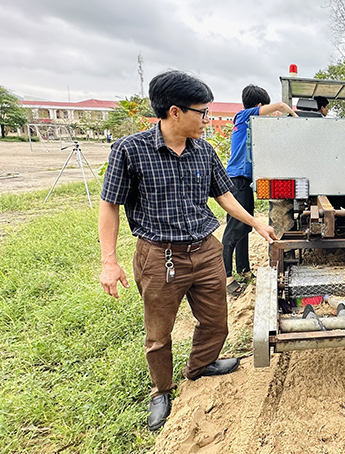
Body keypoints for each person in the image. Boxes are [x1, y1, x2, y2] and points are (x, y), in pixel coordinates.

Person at [98, 70, 277, 431]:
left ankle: (201, 364)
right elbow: (109, 205)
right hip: (158, 255)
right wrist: (109, 261)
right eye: (202, 112)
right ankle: (161, 390)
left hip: (206, 249)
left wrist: (255, 223)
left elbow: (224, 194)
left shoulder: (204, 151)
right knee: (158, 333)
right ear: (175, 112)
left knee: (215, 322)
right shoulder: (130, 150)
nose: (207, 120)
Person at [222, 85, 297, 296]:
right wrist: (292, 115)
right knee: (234, 229)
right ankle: (226, 276)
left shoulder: (249, 124)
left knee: (245, 225)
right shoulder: (243, 116)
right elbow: (282, 105)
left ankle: (243, 269)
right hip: (236, 179)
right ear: (259, 105)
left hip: (244, 180)